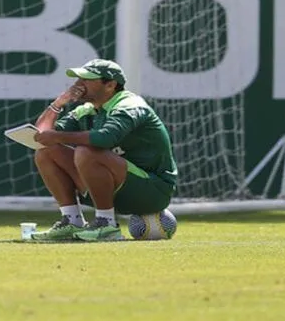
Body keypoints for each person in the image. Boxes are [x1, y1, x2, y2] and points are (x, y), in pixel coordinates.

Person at [30, 59, 178, 242]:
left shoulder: (129, 105)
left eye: (86, 79)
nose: (78, 84)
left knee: (86, 151)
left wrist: (58, 137)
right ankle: (72, 222)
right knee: (46, 151)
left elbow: (106, 138)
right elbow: (42, 135)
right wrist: (60, 102)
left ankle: (106, 224)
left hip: (152, 192)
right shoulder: (87, 110)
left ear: (110, 85)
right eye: (78, 79)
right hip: (111, 187)